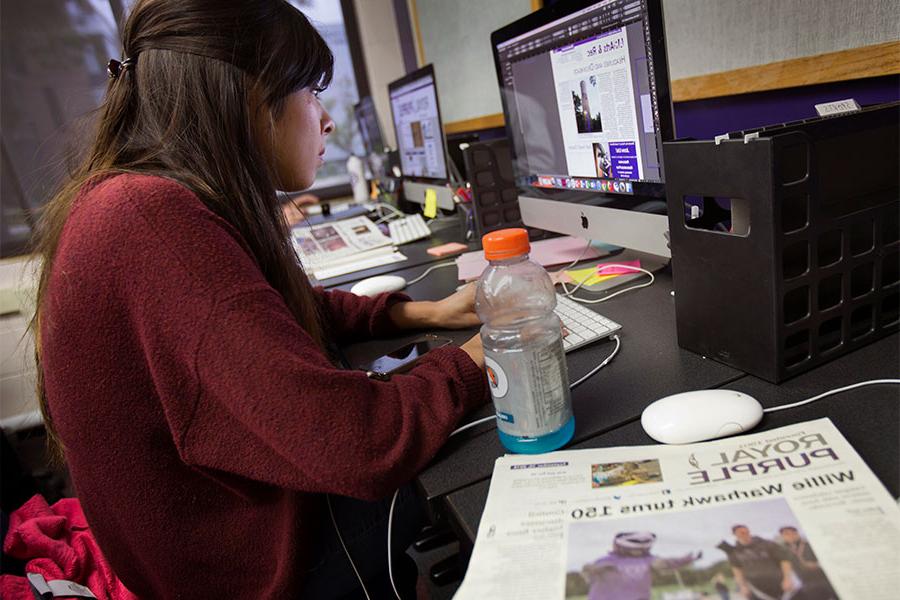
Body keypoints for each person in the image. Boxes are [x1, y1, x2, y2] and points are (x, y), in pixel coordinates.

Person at [31, 1, 487, 598]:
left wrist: (423, 312)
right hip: (257, 567)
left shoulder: (132, 199)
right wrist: (488, 349)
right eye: (311, 92)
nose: (325, 120)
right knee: (483, 441)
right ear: (247, 96)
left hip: (213, 545)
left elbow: (261, 314)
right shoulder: (149, 221)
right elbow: (357, 444)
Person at [581, 531, 701, 600]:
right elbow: (591, 572)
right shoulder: (607, 560)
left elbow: (664, 563)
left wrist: (686, 560)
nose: (638, 551)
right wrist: (590, 570)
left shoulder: (648, 559)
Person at [721, 525, 797, 600]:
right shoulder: (734, 553)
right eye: (741, 533)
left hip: (781, 584)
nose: (745, 534)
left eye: (746, 532)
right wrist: (743, 586)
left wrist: (787, 578)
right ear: (735, 535)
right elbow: (737, 571)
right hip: (757, 590)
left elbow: (784, 560)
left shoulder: (767, 544)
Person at [778, 526, 838, 600]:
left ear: (797, 533)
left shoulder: (810, 544)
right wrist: (787, 579)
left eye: (792, 533)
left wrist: (817, 565)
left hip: (826, 579)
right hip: (806, 583)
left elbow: (831, 558)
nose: (790, 536)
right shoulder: (783, 549)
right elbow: (785, 564)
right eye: (786, 534)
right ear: (782, 536)